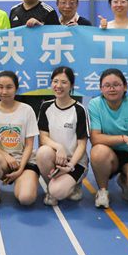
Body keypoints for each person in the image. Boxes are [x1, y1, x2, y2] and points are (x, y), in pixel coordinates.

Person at [89, 69, 128, 209]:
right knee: (97, 152)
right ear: (101, 89)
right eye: (107, 85)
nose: (111, 89)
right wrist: (123, 138)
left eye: (116, 85)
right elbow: (95, 138)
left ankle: (124, 180)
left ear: (125, 87)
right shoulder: (95, 104)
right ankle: (103, 191)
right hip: (109, 154)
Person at [36, 66, 90, 205]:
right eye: (55, 81)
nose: (58, 86)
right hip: (55, 158)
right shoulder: (46, 107)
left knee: (58, 192)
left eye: (64, 82)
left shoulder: (79, 110)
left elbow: (82, 145)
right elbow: (43, 137)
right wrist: (59, 147)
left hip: (75, 162)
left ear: (71, 85)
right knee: (42, 152)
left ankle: (74, 183)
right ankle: (50, 187)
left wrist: (70, 165)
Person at [0, 71, 39, 207]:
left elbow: (29, 145)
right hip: (3, 161)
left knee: (26, 199)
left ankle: (24, 180)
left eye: (9, 87)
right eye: (0, 87)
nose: (4, 91)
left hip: (25, 162)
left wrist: (20, 169)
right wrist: (6, 156)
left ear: (16, 89)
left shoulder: (27, 110)